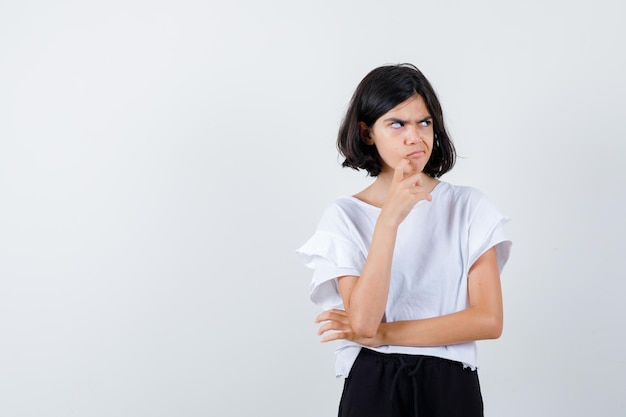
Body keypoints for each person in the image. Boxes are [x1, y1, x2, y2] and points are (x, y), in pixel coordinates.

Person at [296, 63, 512, 417]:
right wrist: (389, 220)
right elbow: (364, 321)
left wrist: (384, 335)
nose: (415, 137)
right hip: (373, 383)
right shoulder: (344, 216)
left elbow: (488, 320)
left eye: (424, 122)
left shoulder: (469, 207)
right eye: (397, 123)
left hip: (450, 384)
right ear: (368, 133)